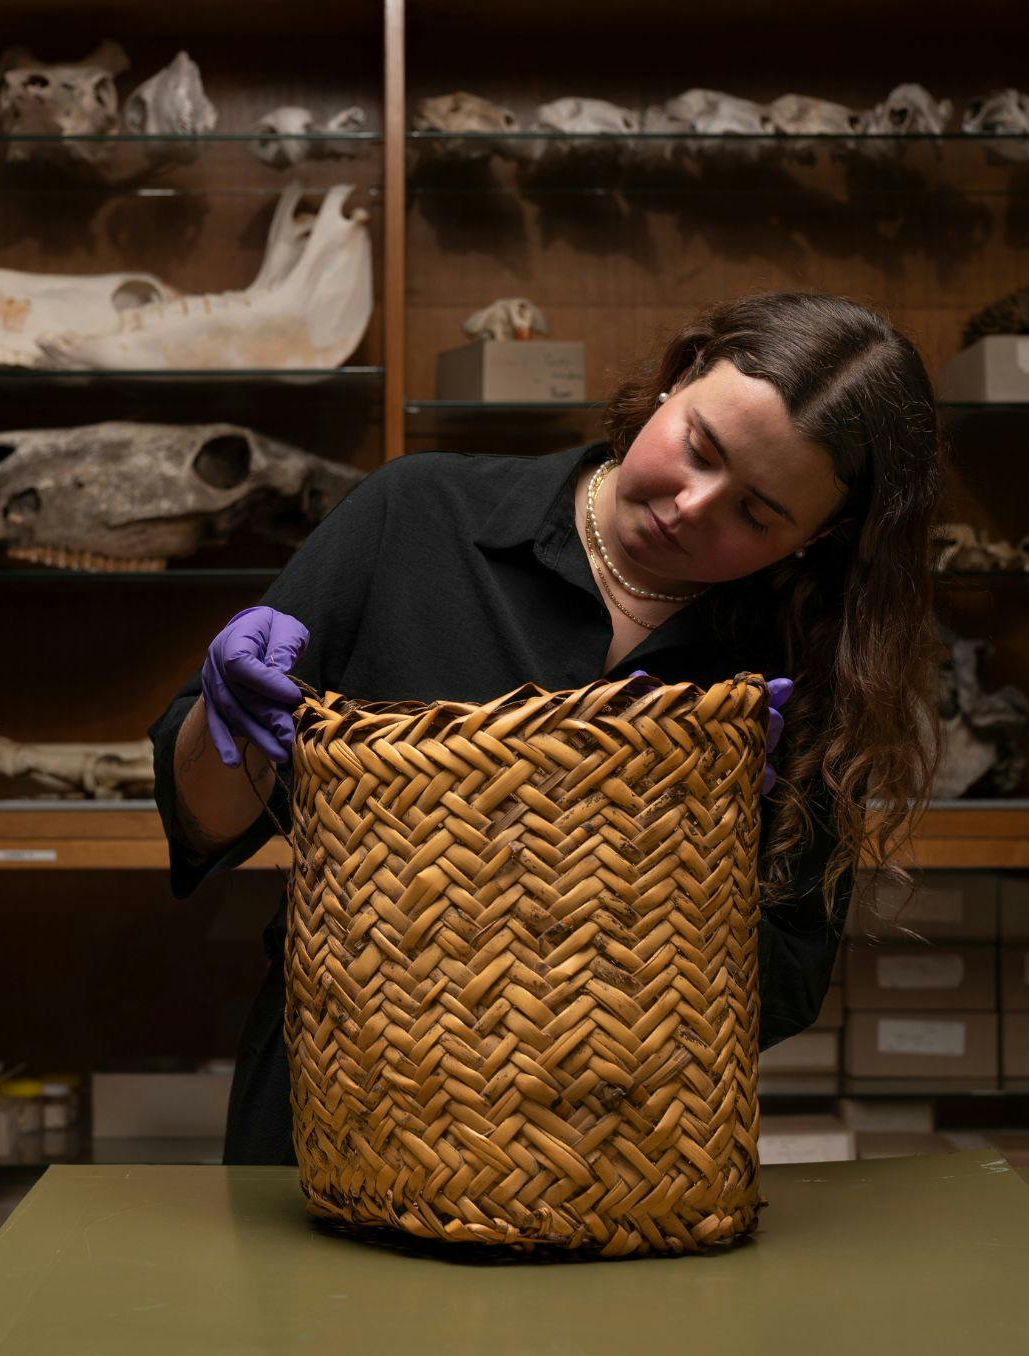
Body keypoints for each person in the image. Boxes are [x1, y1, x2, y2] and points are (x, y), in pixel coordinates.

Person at [149, 291, 946, 1164]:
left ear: (818, 536)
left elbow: (786, 983)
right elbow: (199, 826)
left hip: (615, 1162)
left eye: (756, 514)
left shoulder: (799, 664)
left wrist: (679, 862)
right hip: (338, 1115)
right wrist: (229, 719)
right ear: (676, 380)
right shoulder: (414, 517)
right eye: (698, 449)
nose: (691, 507)